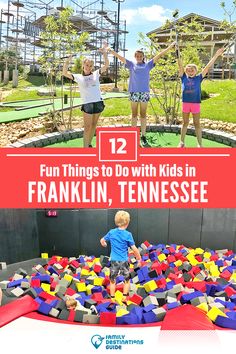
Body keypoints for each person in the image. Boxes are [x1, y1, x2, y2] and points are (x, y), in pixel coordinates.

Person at [108, 43, 175, 146]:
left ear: (143, 56)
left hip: (144, 93)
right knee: (134, 114)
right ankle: (133, 136)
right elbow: (120, 57)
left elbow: (160, 55)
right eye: (137, 56)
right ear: (135, 57)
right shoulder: (131, 64)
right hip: (134, 92)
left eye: (140, 56)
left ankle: (143, 135)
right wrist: (111, 51)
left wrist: (170, 47)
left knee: (143, 115)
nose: (139, 57)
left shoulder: (148, 65)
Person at [177, 46, 225, 147]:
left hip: (195, 104)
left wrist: (216, 54)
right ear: (185, 71)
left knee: (196, 123)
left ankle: (199, 144)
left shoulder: (199, 77)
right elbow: (180, 65)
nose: (190, 72)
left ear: (196, 71)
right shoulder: (183, 77)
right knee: (185, 123)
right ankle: (181, 142)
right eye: (188, 70)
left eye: (192, 70)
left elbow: (207, 66)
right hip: (185, 103)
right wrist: (177, 51)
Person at [62, 47, 109, 147]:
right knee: (87, 127)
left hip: (98, 102)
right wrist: (67, 62)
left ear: (92, 66)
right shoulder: (79, 77)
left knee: (93, 126)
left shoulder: (96, 74)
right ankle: (85, 148)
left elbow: (106, 65)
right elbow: (64, 73)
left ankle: (89, 144)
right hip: (87, 104)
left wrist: (104, 54)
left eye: (90, 65)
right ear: (83, 65)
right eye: (87, 65)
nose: (88, 67)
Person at [100, 210, 141, 302]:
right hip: (124, 261)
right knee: (127, 280)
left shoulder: (111, 232)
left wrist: (104, 244)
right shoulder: (128, 234)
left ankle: (112, 297)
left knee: (112, 280)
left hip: (114, 260)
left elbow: (102, 240)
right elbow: (134, 249)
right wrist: (138, 258)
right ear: (127, 222)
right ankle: (124, 296)